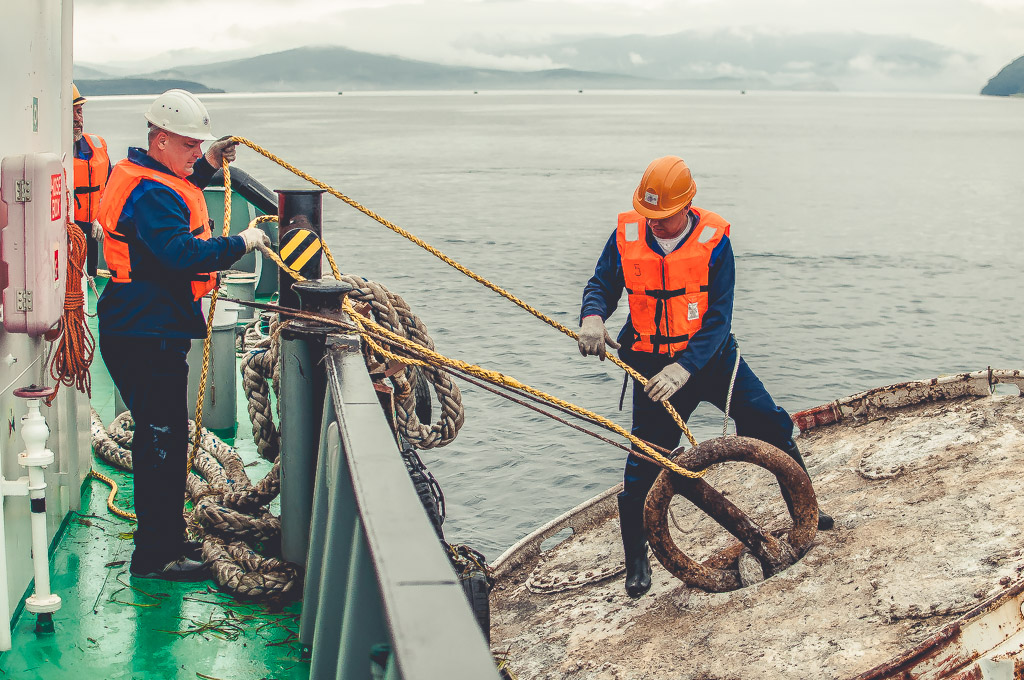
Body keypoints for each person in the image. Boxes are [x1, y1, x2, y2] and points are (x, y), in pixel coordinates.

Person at [578, 155, 833, 599]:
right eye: (648, 214)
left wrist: (685, 368)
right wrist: (593, 317)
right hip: (651, 366)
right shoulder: (626, 236)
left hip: (711, 361)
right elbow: (601, 284)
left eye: (664, 216)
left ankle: (806, 509)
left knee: (771, 425)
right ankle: (636, 560)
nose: (654, 223)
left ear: (687, 205)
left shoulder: (715, 242)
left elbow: (718, 317)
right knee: (644, 465)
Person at [96, 89, 270, 580]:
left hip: (144, 327)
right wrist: (242, 242)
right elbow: (180, 254)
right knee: (161, 445)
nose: (197, 154)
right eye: (191, 146)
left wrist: (210, 163)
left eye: (201, 146)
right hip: (145, 335)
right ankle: (155, 557)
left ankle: (167, 539)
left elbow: (182, 189)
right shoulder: (151, 193)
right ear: (162, 140)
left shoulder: (147, 176)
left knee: (166, 442)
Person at [72, 83, 110, 277]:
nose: (77, 119)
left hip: (93, 239)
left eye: (79, 111)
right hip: (67, 241)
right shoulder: (49, 159)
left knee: (88, 284)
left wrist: (103, 220)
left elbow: (111, 191)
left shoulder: (97, 146)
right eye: (72, 113)